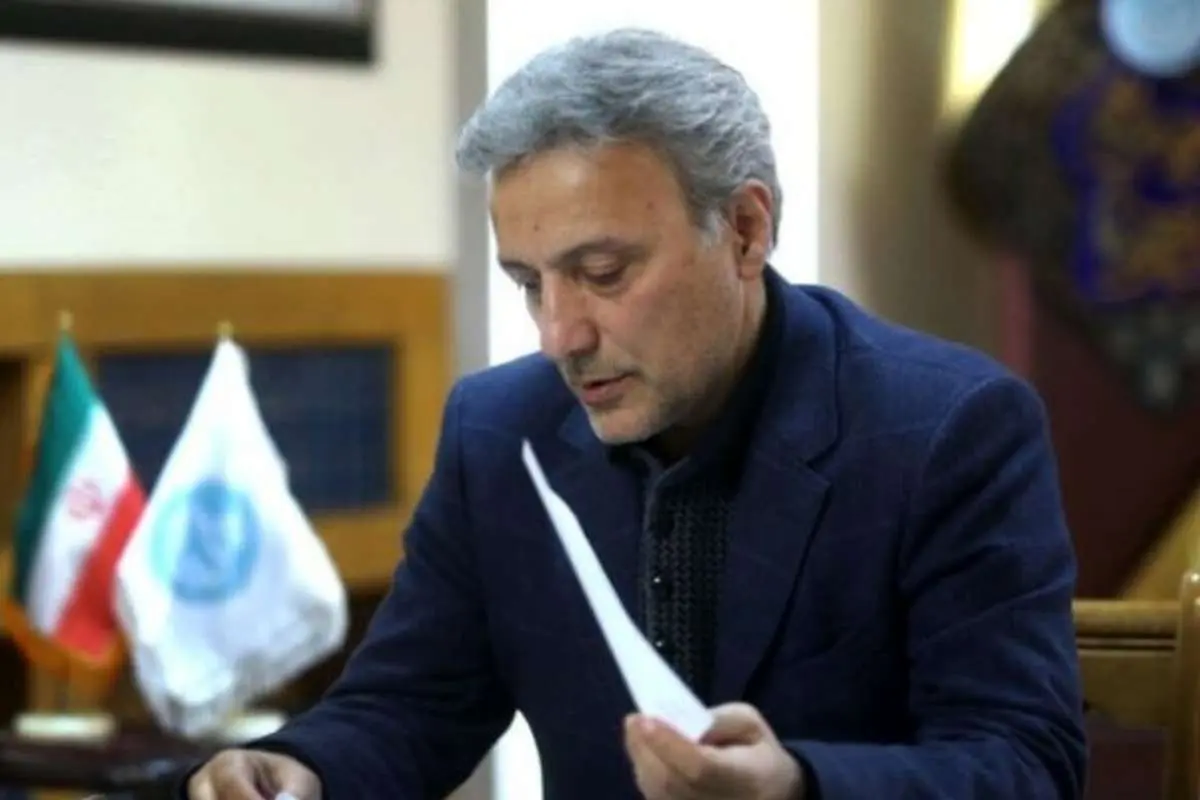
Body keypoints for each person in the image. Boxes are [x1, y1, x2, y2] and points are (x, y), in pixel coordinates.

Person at [183, 28, 1086, 800]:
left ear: (746, 229)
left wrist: (798, 785)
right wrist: (300, 769)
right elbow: (411, 705)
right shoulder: (498, 432)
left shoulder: (949, 430)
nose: (559, 336)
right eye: (529, 283)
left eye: (604, 274)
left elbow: (1025, 764)